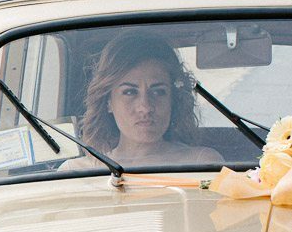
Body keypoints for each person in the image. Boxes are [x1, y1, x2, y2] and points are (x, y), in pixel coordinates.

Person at [79, 32, 223, 167]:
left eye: (158, 92)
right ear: (108, 102)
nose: (145, 107)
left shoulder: (202, 163)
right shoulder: (80, 172)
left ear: (173, 100)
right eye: (129, 92)